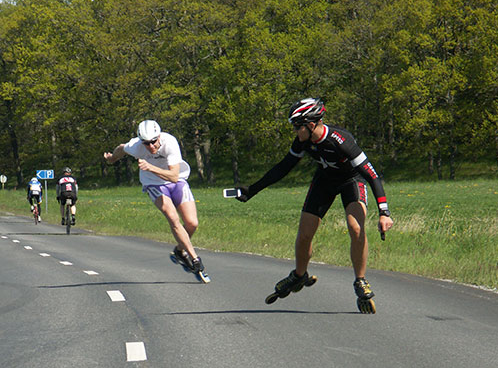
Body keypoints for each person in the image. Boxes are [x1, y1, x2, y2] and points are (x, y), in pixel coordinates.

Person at [236, 98, 394, 312]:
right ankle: (299, 275)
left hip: (352, 181)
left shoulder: (341, 140)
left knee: (355, 227)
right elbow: (284, 167)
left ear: (311, 125)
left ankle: (360, 280)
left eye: (296, 127)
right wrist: (253, 190)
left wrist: (384, 212)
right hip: (324, 182)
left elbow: (372, 175)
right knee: (304, 234)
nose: (294, 132)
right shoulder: (303, 141)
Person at [103, 120, 206, 274]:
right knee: (173, 218)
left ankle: (179, 250)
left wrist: (150, 167)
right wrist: (112, 159)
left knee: (192, 223)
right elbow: (122, 148)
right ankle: (194, 258)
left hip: (176, 180)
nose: (151, 147)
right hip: (154, 184)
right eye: (146, 143)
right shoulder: (136, 146)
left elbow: (173, 176)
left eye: (153, 142)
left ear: (159, 137)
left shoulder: (170, 142)